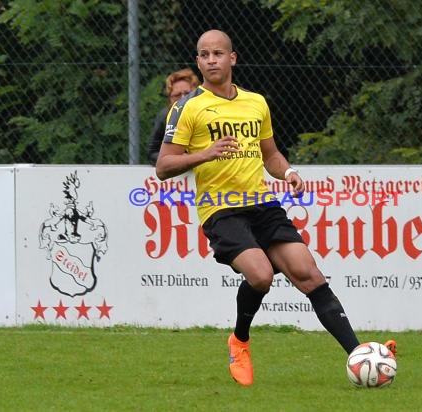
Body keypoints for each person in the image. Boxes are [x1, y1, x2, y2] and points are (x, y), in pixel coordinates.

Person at [156, 29, 396, 386]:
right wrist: (206, 153)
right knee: (261, 275)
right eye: (204, 55)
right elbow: (163, 166)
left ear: (232, 58)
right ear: (198, 61)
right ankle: (239, 340)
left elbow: (270, 154)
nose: (211, 60)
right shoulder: (187, 107)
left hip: (263, 205)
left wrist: (289, 172)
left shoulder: (256, 103)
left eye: (218, 53)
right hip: (221, 211)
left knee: (308, 274)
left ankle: (360, 355)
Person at [147, 68, 200, 165]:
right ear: (170, 99)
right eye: (177, 95)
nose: (183, 98)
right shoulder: (164, 116)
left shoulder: (209, 113)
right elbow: (152, 152)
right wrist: (177, 159)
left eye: (187, 94)